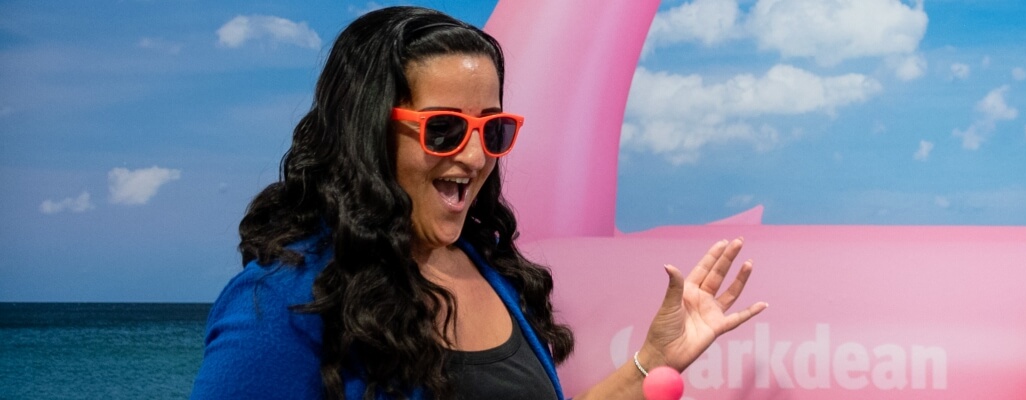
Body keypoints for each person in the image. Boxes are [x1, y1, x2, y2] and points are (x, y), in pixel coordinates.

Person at [190, 7, 767, 400]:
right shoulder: (281, 302)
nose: (472, 157)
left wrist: (652, 359)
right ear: (365, 134)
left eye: (491, 130)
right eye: (443, 130)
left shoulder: (489, 272)